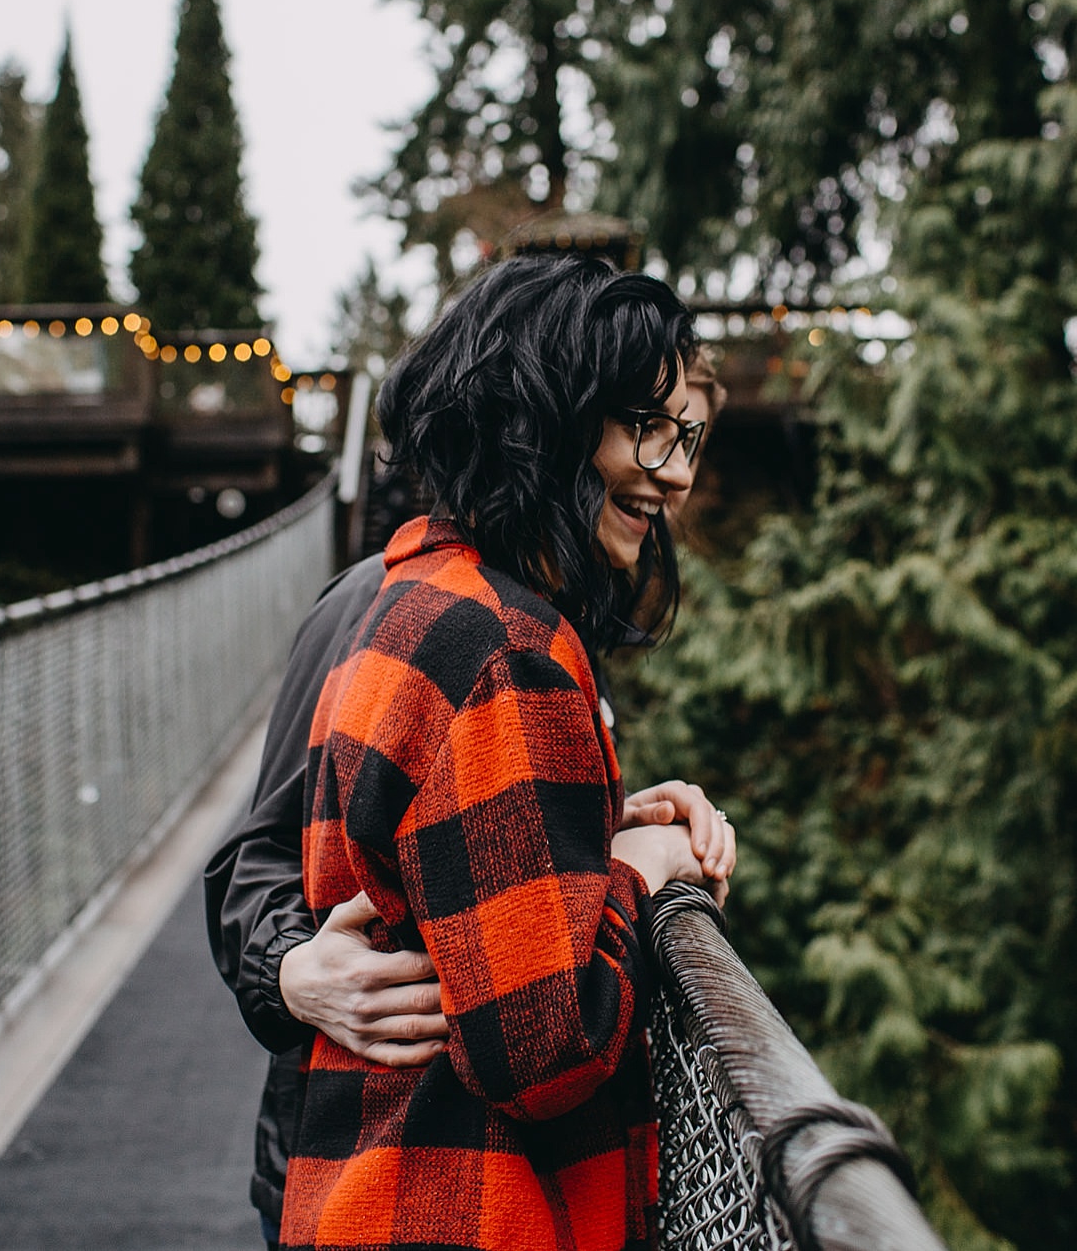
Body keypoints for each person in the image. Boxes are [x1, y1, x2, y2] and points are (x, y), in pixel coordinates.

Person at [204, 337, 728, 1247]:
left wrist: (595, 843)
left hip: (411, 1171)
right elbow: (258, 852)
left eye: (691, 439)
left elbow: (464, 856)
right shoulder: (412, 615)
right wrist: (290, 972)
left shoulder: (533, 607)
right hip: (374, 1154)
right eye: (648, 430)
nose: (674, 474)